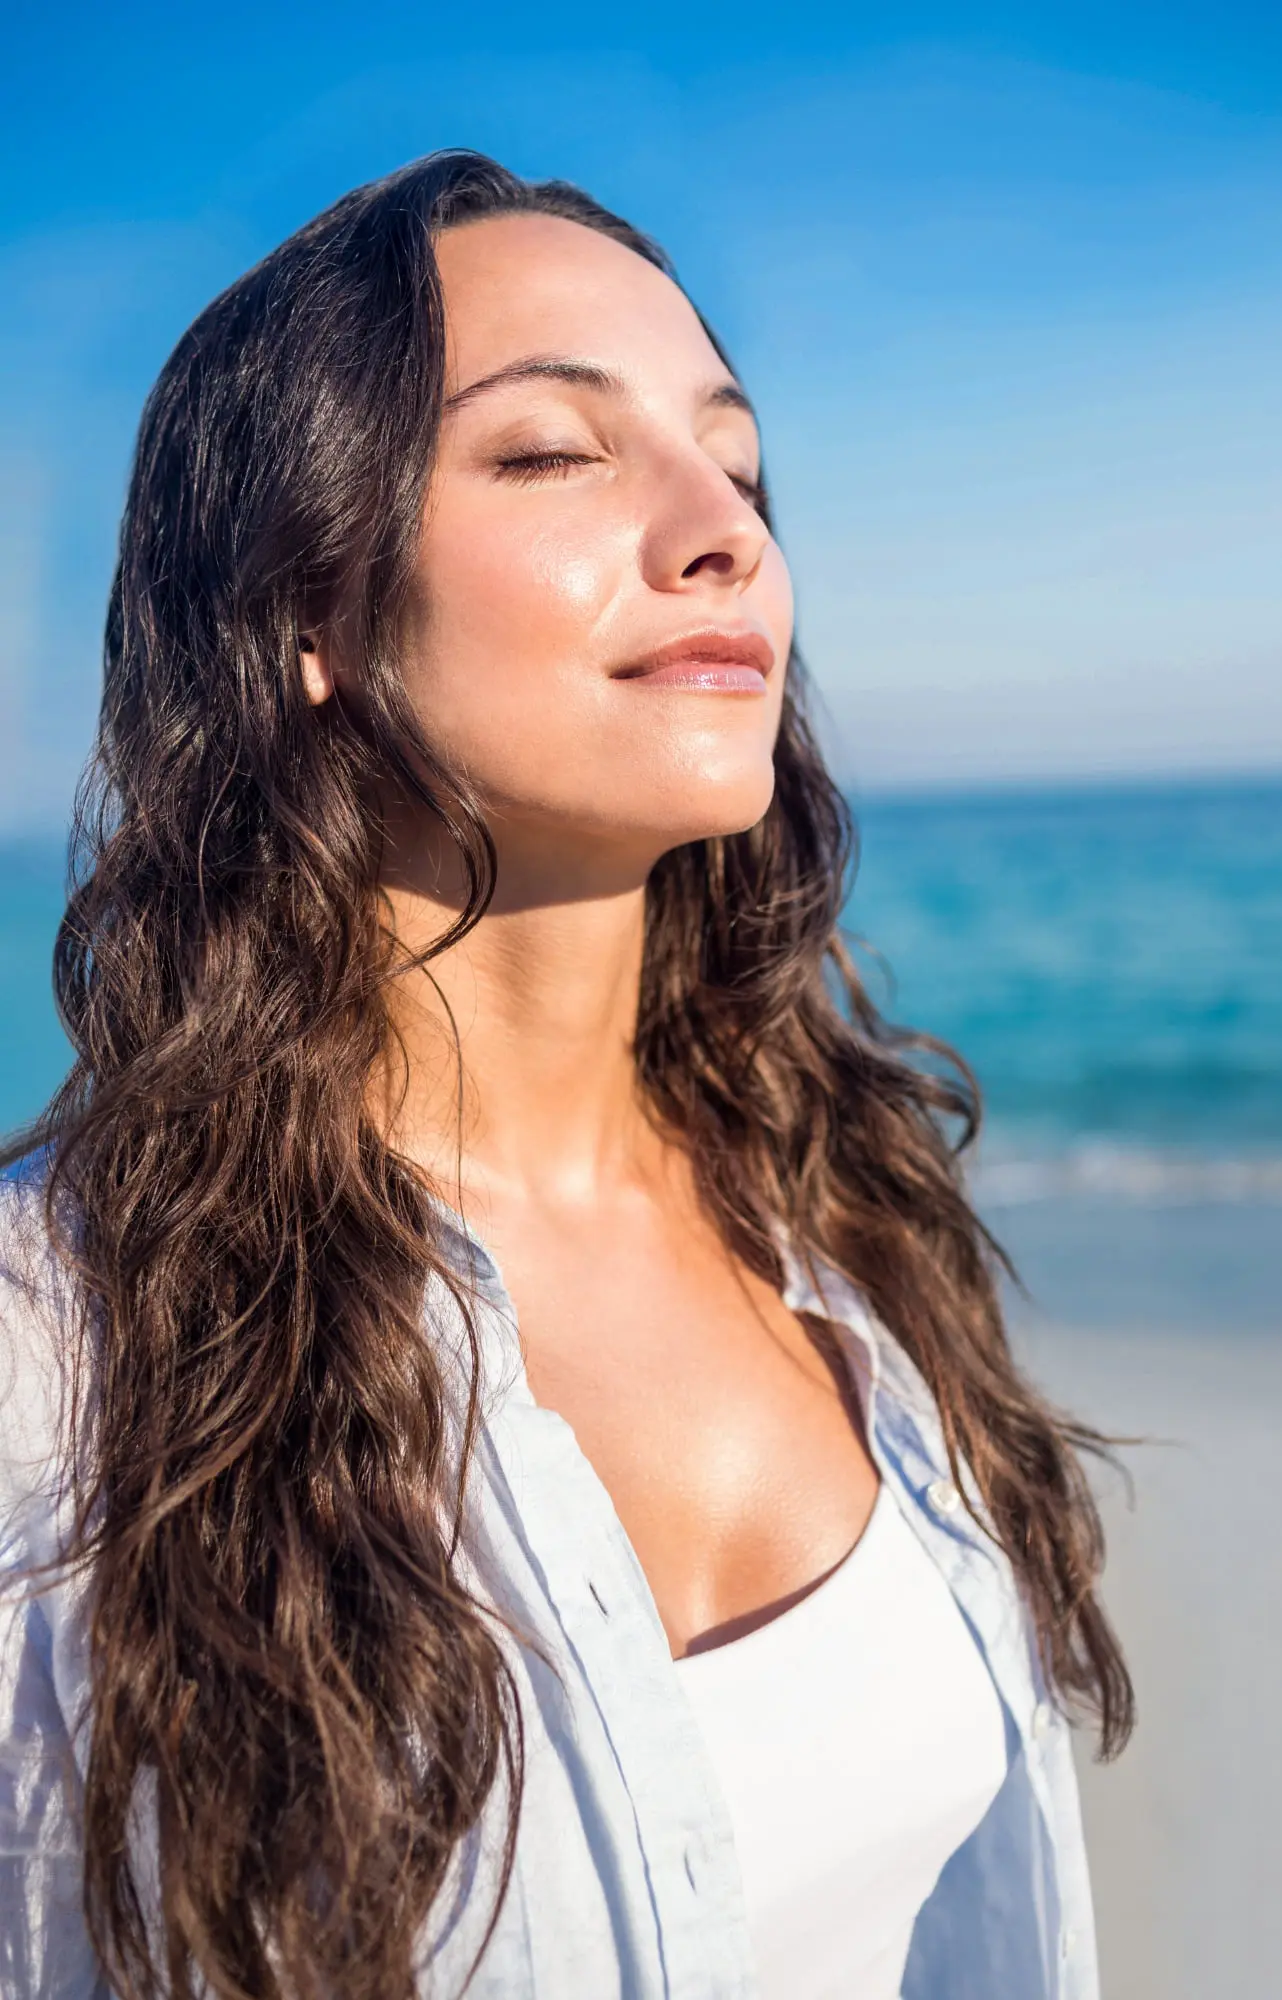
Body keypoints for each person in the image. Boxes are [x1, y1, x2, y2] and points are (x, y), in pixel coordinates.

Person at [0, 151, 1131, 2000]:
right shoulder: (57, 1375)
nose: (723, 534)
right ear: (304, 610)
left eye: (737, 465)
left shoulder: (845, 1218)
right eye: (550, 453)